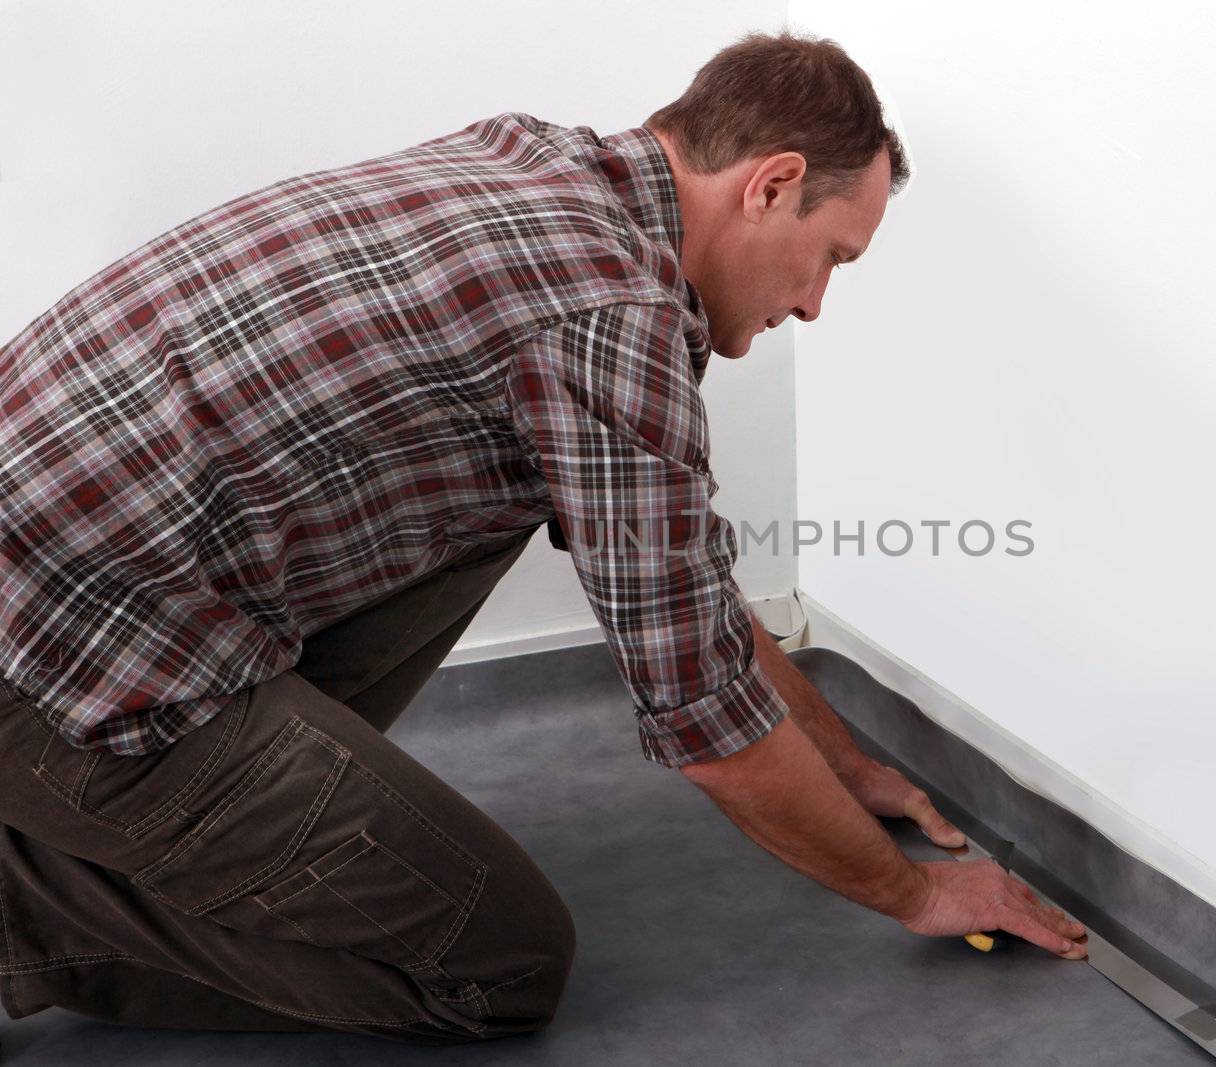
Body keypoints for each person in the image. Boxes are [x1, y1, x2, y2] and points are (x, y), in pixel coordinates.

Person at [0, 29, 1085, 1044]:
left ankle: (191, 833)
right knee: (500, 962)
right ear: (771, 185)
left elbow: (679, 582)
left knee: (503, 496)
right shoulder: (607, 311)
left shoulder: (533, 162)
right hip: (57, 656)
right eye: (831, 258)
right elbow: (704, 719)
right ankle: (20, 920)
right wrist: (918, 890)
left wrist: (842, 764)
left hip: (93, 582)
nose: (812, 306)